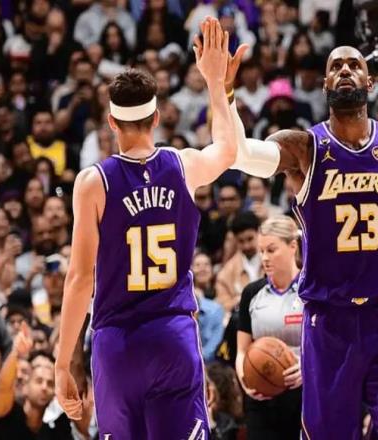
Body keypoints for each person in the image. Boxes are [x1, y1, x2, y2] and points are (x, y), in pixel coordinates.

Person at [227, 45, 378, 439]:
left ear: (370, 82)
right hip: (329, 322)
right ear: (325, 84)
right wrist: (226, 94)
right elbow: (242, 154)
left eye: (355, 65)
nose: (345, 70)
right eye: (336, 66)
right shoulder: (304, 148)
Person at [55, 18, 240, 439]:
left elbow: (80, 278)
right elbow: (228, 150)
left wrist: (63, 362)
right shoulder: (183, 165)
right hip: (172, 336)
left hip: (117, 344)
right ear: (156, 117)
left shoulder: (93, 182)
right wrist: (215, 83)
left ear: (111, 122)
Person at [236, 215, 303, 440]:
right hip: (262, 398)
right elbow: (242, 350)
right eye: (261, 251)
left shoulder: (311, 290)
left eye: (271, 250)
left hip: (305, 393)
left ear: (292, 246)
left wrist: (308, 367)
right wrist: (246, 379)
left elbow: (330, 347)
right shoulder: (251, 293)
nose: (264, 258)